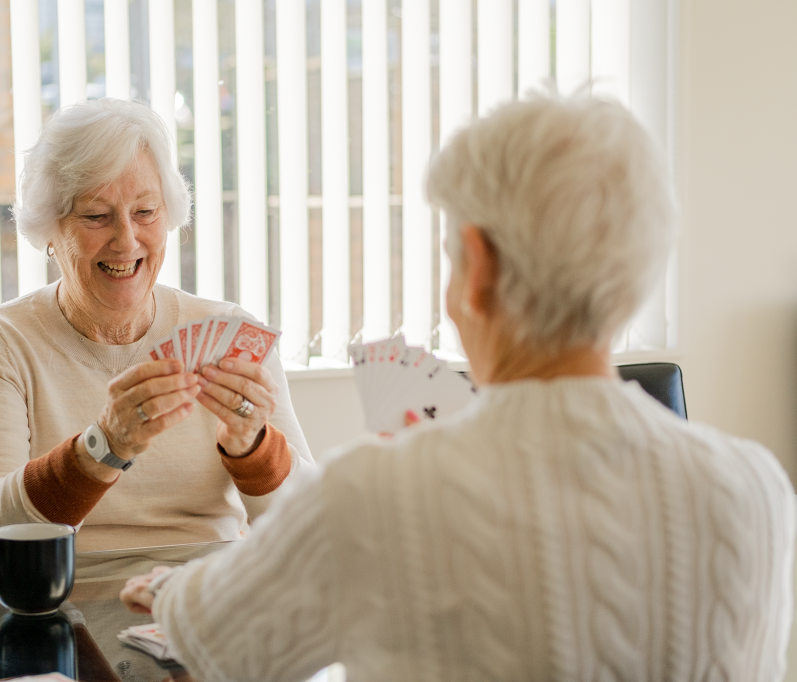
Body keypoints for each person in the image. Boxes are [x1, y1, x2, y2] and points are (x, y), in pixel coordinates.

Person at [120, 95, 796, 681]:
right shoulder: (758, 489)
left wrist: (170, 592)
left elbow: (228, 644)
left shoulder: (378, 494)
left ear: (477, 268)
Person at [0, 98, 315, 553]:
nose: (126, 239)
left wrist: (252, 447)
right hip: (56, 604)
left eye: (145, 212)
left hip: (200, 605)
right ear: (49, 229)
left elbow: (310, 521)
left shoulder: (229, 332)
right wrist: (104, 446)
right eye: (96, 216)